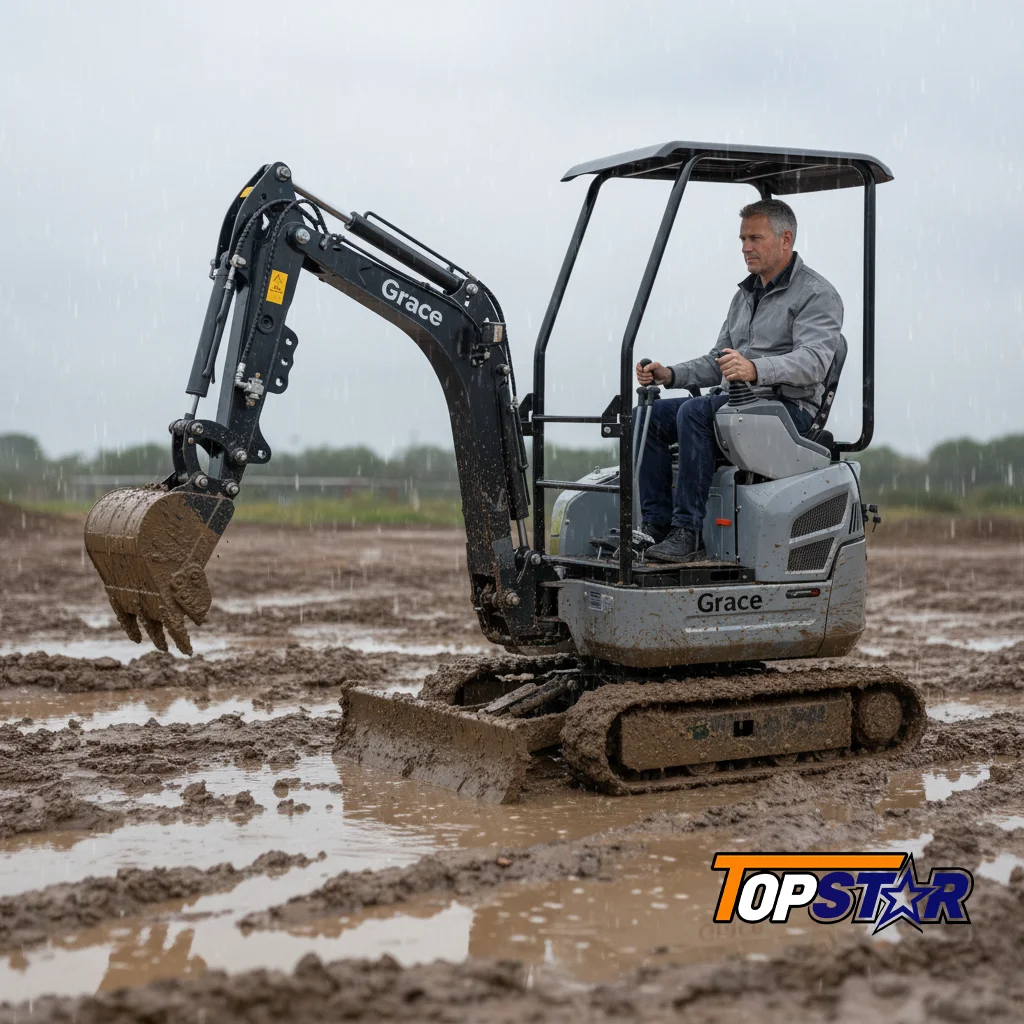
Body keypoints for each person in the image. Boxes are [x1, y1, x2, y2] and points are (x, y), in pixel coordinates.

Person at [636, 198, 844, 563]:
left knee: (696, 413)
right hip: (739, 405)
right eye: (742, 239)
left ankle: (688, 532)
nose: (746, 247)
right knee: (647, 416)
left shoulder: (817, 295)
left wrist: (755, 369)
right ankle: (656, 525)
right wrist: (670, 374)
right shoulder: (744, 295)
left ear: (785, 239)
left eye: (755, 238)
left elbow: (813, 363)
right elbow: (719, 360)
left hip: (787, 411)